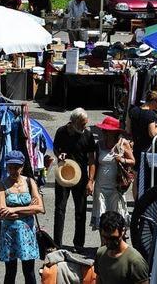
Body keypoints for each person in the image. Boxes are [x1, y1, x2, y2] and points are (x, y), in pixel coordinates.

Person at [53, 107, 97, 251]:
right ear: (74, 122)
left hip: (81, 177)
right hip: (63, 174)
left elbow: (92, 159)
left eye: (86, 124)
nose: (85, 127)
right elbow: (55, 148)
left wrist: (91, 181)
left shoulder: (88, 136)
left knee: (81, 210)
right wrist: (59, 155)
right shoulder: (61, 132)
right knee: (60, 209)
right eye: (82, 124)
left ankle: (79, 244)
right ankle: (57, 243)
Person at [0, 150, 42, 284]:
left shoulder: (29, 182)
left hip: (27, 233)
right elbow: (1, 213)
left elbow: (40, 208)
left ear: (22, 167)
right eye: (10, 167)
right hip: (9, 233)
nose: (13, 170)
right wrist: (29, 209)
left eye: (16, 167)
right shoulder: (1, 185)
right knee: (10, 272)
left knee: (29, 272)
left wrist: (13, 209)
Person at [90, 117, 134, 230]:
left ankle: (115, 243)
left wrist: (122, 160)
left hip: (116, 187)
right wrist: (91, 181)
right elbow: (94, 163)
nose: (104, 133)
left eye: (107, 131)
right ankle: (103, 244)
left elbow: (133, 161)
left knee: (115, 215)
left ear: (114, 132)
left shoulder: (123, 144)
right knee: (101, 215)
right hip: (100, 186)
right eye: (104, 130)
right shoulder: (99, 144)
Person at [94, 211, 149, 284]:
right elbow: (99, 279)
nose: (109, 242)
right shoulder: (100, 254)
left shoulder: (135, 261)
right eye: (105, 237)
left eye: (113, 238)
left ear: (123, 231)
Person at [126, 90, 157, 198]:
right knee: (147, 177)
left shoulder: (133, 111)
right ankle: (144, 201)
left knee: (136, 177)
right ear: (154, 101)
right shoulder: (151, 115)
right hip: (148, 149)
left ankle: (137, 202)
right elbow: (152, 134)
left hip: (136, 147)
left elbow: (128, 129)